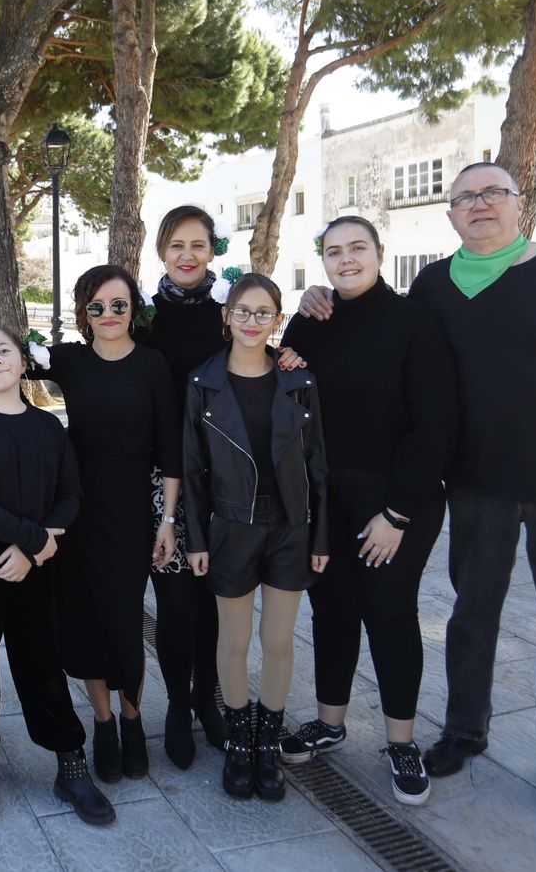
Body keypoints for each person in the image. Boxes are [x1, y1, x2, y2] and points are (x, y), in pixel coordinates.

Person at [297, 161, 536, 826]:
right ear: (450, 214)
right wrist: (319, 296)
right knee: (471, 613)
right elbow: (379, 326)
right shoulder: (434, 284)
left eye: (492, 193)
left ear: (520, 203)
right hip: (477, 485)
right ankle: (463, 730)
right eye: (464, 197)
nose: (479, 204)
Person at [279, 216, 458, 806]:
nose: (347, 259)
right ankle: (330, 723)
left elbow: (435, 425)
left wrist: (397, 514)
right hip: (328, 499)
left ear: (380, 253)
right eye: (334, 251)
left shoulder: (414, 322)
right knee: (331, 611)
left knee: (389, 613)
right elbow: (287, 391)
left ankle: (401, 742)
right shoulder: (311, 319)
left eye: (358, 248)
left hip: (397, 501)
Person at [0, 321, 114, 825]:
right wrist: (33, 540)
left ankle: (70, 764)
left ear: (22, 361)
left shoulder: (48, 427)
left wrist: (34, 551)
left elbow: (70, 494)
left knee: (42, 665)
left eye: (3, 350)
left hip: (36, 568)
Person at [30, 264, 180, 782]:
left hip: (131, 513)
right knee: (83, 623)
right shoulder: (67, 361)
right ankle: (103, 723)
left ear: (133, 309)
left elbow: (171, 450)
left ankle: (133, 721)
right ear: (84, 313)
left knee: (123, 623)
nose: (109, 314)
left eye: (119, 305)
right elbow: (1, 360)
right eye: (97, 306)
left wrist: (167, 521)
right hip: (75, 511)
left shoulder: (153, 365)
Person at [183, 273, 329, 802]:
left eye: (263, 313)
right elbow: (192, 468)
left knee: (279, 639)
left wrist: (320, 537)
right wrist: (196, 539)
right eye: (242, 311)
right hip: (231, 527)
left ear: (277, 319)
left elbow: (318, 466)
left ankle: (268, 741)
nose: (251, 321)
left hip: (290, 528)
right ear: (227, 316)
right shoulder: (203, 383)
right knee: (235, 639)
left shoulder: (298, 381)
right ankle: (239, 739)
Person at [133, 206, 229, 767]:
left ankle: (207, 697)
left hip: (222, 478)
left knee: (211, 598)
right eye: (176, 245)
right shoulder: (143, 320)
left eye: (197, 244)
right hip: (161, 480)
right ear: (162, 253)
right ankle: (175, 703)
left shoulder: (230, 314)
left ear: (213, 250)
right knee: (173, 602)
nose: (187, 255)